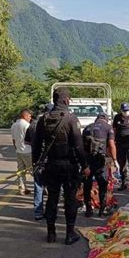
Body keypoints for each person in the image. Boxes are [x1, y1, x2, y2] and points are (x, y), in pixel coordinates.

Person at [32, 88, 89, 245]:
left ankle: (51, 233)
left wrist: (35, 165)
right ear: (66, 100)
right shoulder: (71, 119)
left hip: (51, 166)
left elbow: (36, 146)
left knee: (52, 199)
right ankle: (69, 234)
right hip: (69, 166)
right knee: (70, 199)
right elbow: (78, 147)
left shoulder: (43, 119)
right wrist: (85, 165)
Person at [82, 112, 119, 217]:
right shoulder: (108, 127)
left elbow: (80, 146)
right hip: (100, 160)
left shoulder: (88, 128)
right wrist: (115, 160)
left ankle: (88, 209)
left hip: (87, 160)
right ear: (106, 119)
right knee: (102, 184)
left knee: (87, 185)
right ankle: (102, 210)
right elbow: (111, 145)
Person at [25, 104, 53, 220]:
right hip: (51, 160)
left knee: (38, 186)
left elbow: (26, 142)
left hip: (36, 160)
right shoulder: (52, 123)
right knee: (52, 187)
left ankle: (38, 212)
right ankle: (50, 211)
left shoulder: (33, 124)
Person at [11, 108, 32, 196]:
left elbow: (13, 140)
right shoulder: (27, 125)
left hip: (19, 151)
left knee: (20, 171)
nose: (30, 118)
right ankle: (42, 188)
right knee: (34, 171)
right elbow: (31, 139)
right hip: (28, 151)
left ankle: (22, 188)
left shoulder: (14, 125)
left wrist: (17, 148)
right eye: (29, 116)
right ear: (25, 115)